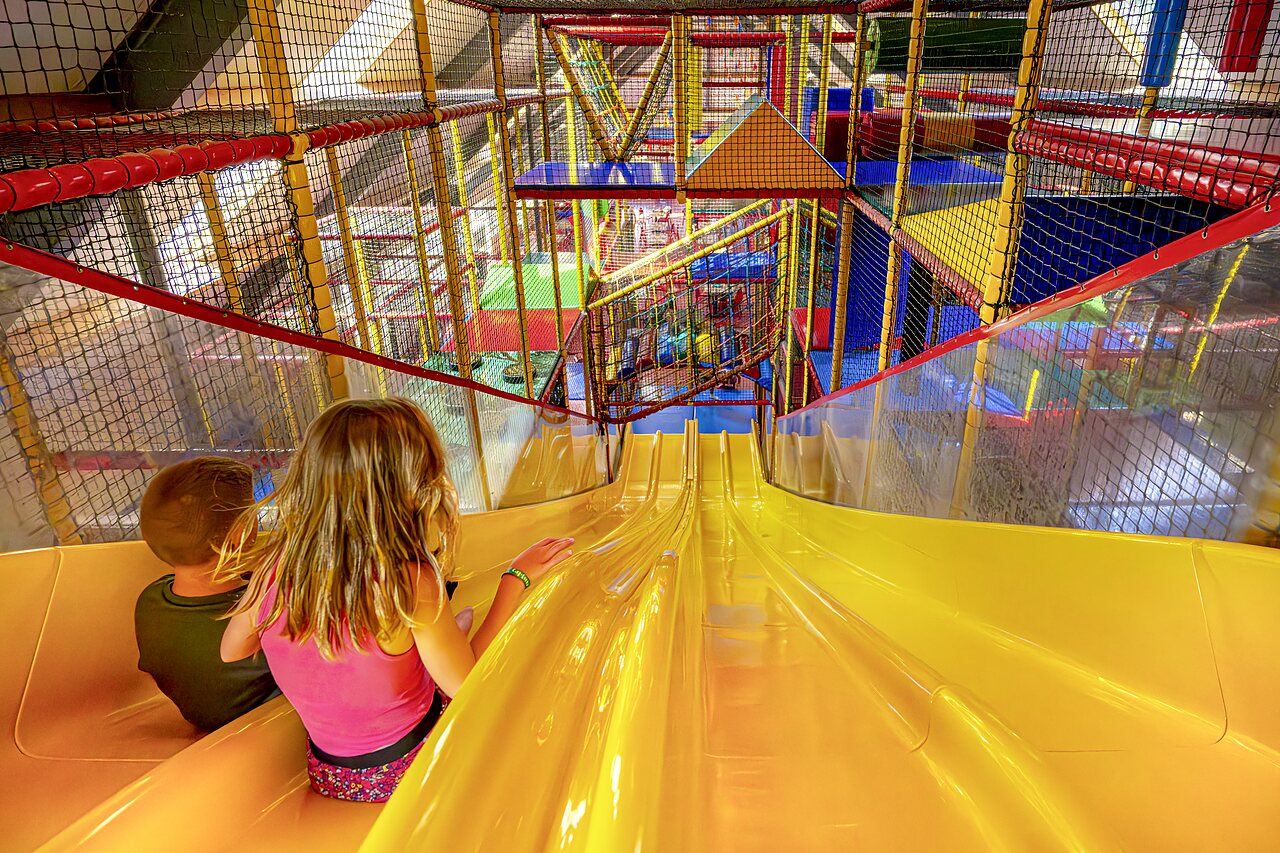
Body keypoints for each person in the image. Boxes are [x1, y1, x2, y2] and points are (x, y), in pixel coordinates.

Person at [219, 398, 574, 803]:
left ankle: (437, 643)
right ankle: (442, 643)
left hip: (328, 773)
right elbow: (467, 686)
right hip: (407, 769)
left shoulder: (275, 566)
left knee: (408, 645)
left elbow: (232, 650)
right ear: (410, 486)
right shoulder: (410, 583)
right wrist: (515, 579)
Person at [135, 456, 280, 732]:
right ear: (239, 533)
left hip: (202, 720)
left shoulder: (150, 599)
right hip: (268, 727)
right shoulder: (264, 609)